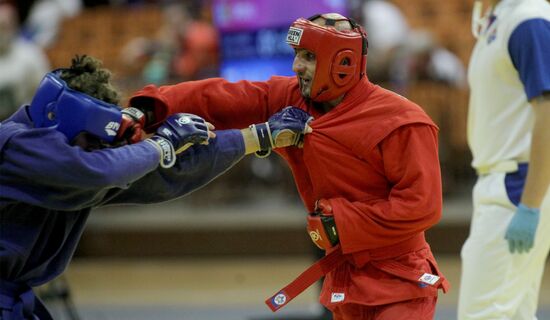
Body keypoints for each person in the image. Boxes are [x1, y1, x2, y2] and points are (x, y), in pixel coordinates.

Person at [127, 12, 449, 319]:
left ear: (344, 63)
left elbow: (422, 206)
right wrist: (151, 107)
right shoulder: (291, 98)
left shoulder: (403, 121)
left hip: (401, 281)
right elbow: (222, 97)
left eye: (308, 57)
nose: (297, 66)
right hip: (346, 277)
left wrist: (342, 222)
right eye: (297, 54)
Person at [0, 55, 313, 319]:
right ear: (54, 116)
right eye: (90, 139)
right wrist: (162, 144)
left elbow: (165, 175)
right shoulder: (14, 143)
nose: (97, 149)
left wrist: (257, 138)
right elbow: (97, 170)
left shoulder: (79, 163)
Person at [458, 0, 550, 319]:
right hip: (503, 183)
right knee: (516, 314)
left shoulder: (529, 19)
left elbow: (548, 113)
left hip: (518, 186)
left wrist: (531, 204)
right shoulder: (498, 18)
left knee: (482, 314)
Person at [0, 2, 50, 120]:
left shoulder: (31, 54)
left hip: (21, 126)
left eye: (4, 27)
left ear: (14, 26)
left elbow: (45, 94)